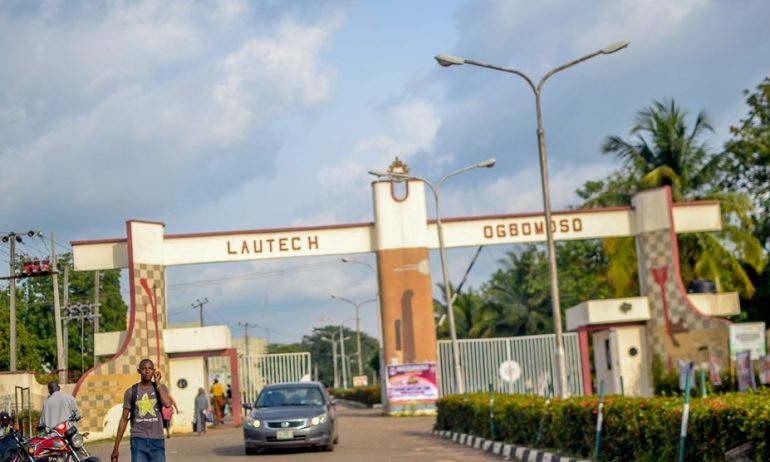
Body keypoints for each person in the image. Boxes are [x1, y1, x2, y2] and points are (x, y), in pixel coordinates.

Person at [111, 359, 171, 462]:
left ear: (154, 371)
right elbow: (124, 419)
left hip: (157, 440)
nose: (147, 371)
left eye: (150, 369)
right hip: (138, 440)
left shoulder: (160, 388)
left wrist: (158, 383)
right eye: (144, 369)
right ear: (139, 371)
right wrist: (116, 447)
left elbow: (167, 404)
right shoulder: (131, 392)